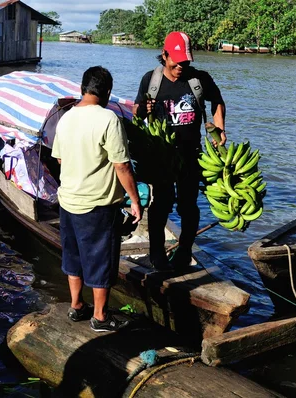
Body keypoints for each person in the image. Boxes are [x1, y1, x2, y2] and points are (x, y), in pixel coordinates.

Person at [52, 66, 142, 332]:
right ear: (108, 93)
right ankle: (101, 317)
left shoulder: (66, 117)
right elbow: (122, 165)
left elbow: (58, 157)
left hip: (68, 201)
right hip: (97, 205)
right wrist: (135, 200)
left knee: (74, 255)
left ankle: (77, 305)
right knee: (101, 259)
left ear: (82, 88)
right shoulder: (108, 119)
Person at [133, 31, 226, 270]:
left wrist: (220, 128)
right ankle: (156, 254)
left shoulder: (199, 79)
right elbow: (137, 113)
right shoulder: (150, 80)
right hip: (161, 157)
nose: (181, 68)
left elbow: (217, 101)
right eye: (176, 63)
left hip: (190, 154)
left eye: (185, 62)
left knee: (188, 205)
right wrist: (144, 107)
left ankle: (184, 251)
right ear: (164, 56)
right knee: (161, 203)